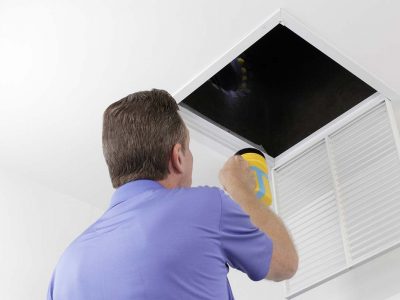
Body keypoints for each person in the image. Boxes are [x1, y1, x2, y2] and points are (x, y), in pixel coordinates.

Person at [47, 89, 298, 299]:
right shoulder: (206, 206)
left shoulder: (65, 268)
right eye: (188, 152)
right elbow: (284, 264)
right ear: (177, 157)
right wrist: (239, 186)